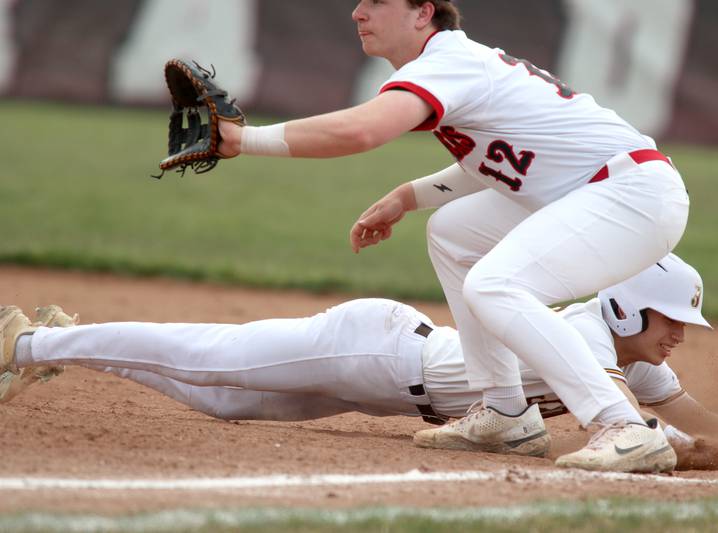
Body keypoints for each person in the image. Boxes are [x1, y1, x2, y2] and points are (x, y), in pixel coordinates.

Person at [212, 0, 690, 471]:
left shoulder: (447, 62)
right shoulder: (455, 61)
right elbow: (504, 159)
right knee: (454, 231)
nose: (358, 12)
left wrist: (244, 139)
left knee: (496, 285)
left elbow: (361, 131)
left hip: (630, 194)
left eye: (377, 2)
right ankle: (505, 412)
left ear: (424, 12)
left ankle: (622, 425)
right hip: (597, 187)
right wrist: (410, 196)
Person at [1, 255, 718, 471]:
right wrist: (678, 442)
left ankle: (70, 338)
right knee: (209, 354)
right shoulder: (578, 333)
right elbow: (645, 432)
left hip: (383, 386)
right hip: (374, 348)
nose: (681, 336)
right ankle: (23, 343)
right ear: (631, 309)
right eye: (673, 320)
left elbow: (701, 428)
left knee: (219, 399)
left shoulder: (632, 367)